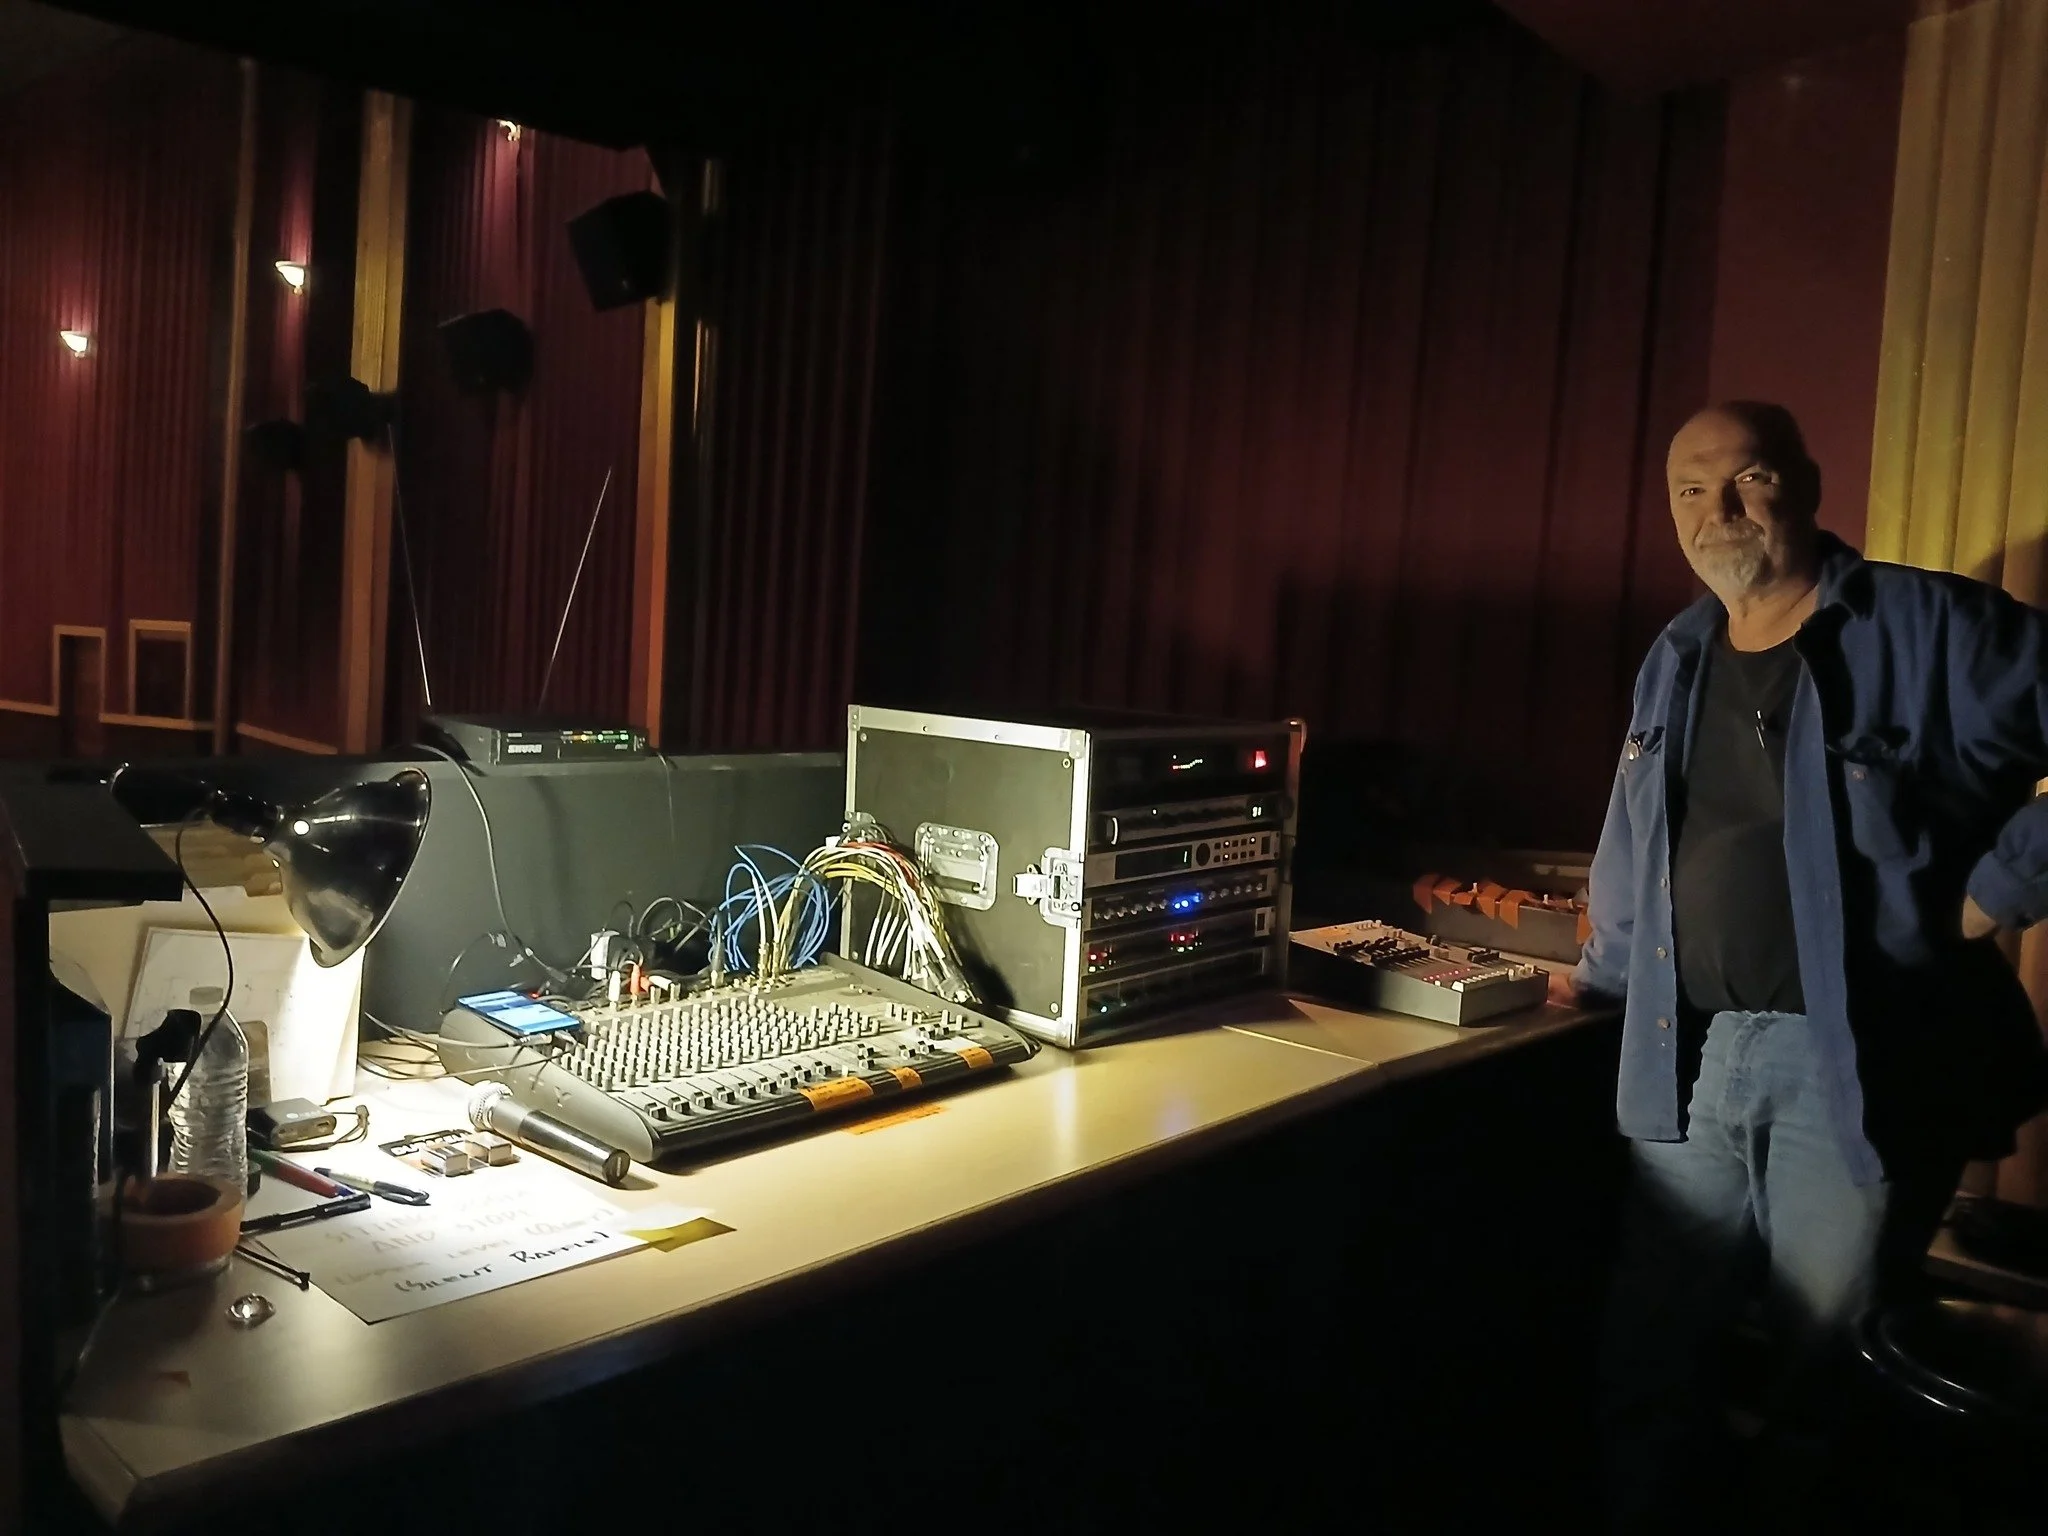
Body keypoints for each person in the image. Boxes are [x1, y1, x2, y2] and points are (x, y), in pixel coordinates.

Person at [1554, 401, 2048, 1530]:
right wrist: (1601, 985)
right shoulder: (1677, 652)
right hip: (1678, 1063)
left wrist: (1996, 889)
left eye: (1748, 479)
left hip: (1853, 1073)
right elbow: (1639, 845)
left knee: (1818, 1391)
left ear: (1808, 485)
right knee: (1648, 1360)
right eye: (1689, 488)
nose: (1717, 511)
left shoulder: (1926, 628)